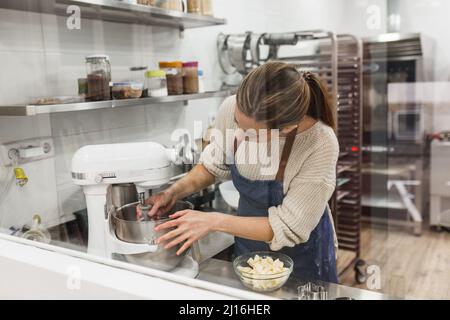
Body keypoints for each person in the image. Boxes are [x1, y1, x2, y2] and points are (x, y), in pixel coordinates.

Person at [146, 61, 339, 282]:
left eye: (251, 133)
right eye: (238, 123)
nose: (239, 134)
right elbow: (212, 165)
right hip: (250, 248)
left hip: (304, 257)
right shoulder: (232, 107)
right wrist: (174, 192)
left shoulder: (320, 143)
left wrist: (214, 221)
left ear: (285, 129)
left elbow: (288, 226)